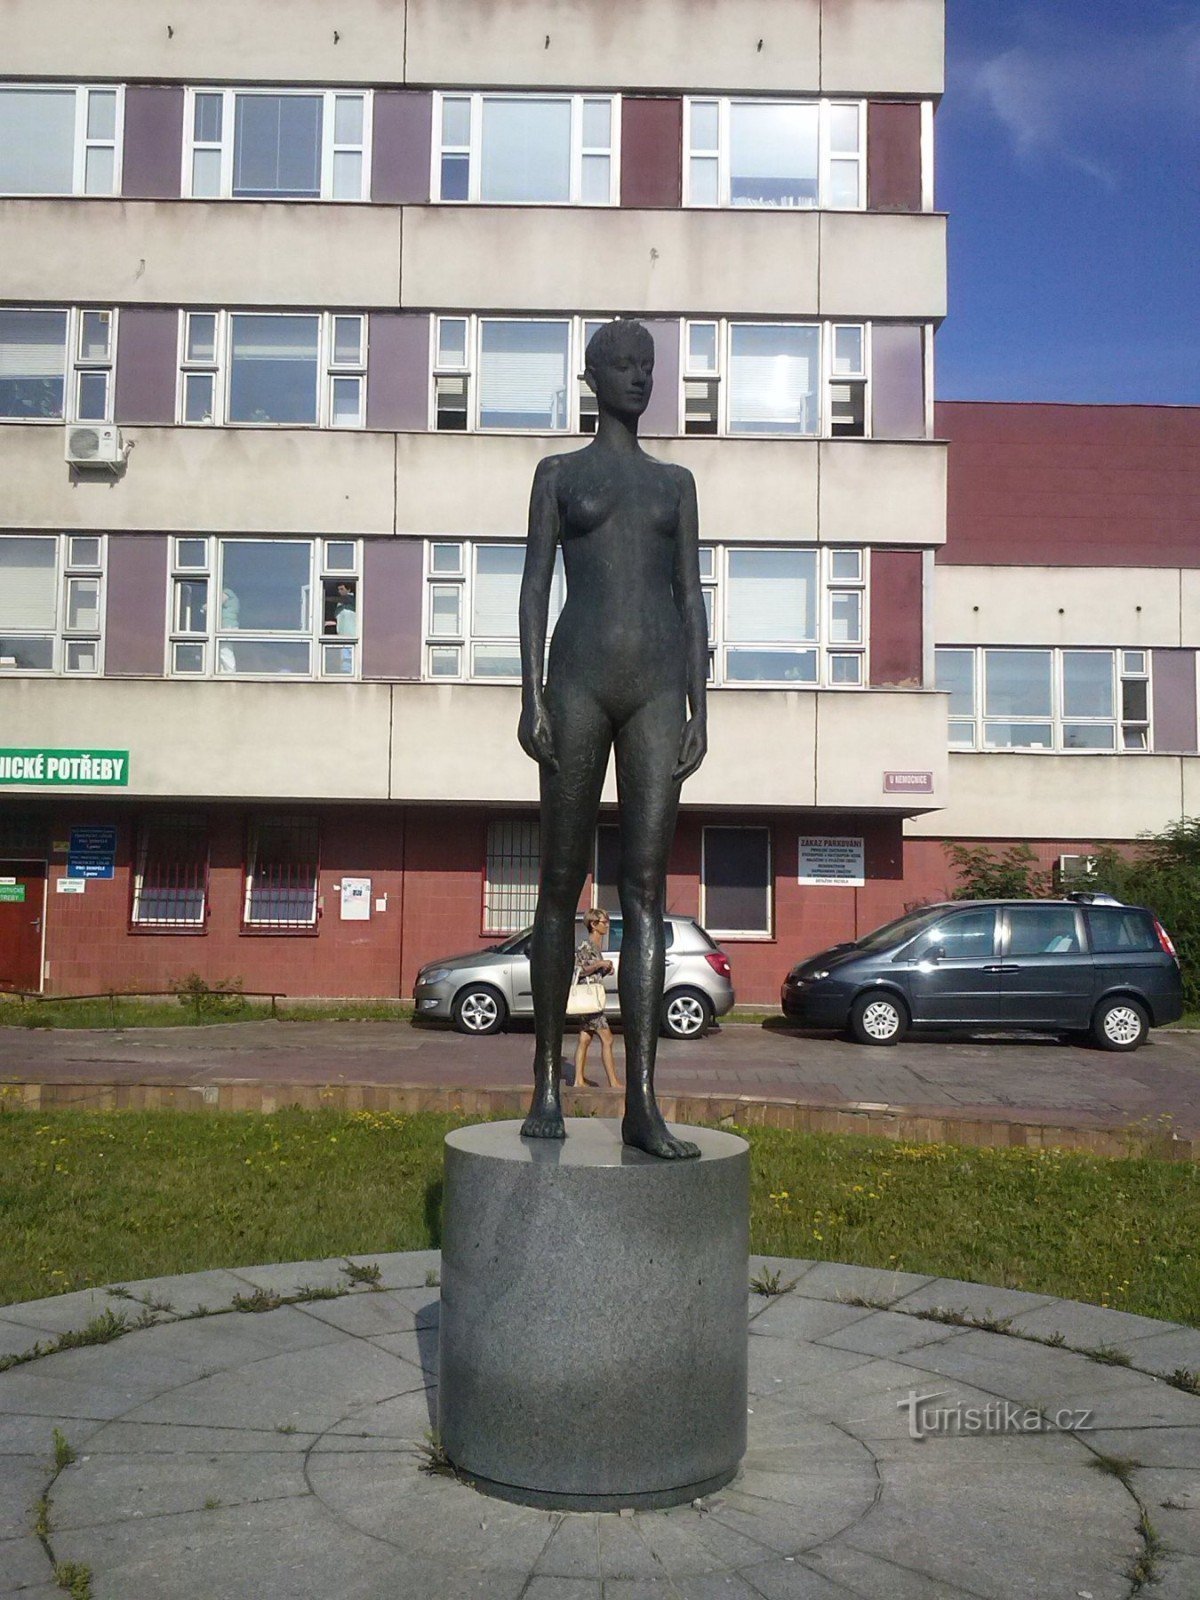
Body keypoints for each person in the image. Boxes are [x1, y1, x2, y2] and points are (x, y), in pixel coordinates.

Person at [518, 318, 707, 1159]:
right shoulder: (559, 474)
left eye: (648, 366)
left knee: (646, 895)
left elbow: (692, 598)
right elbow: (532, 588)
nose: (638, 377)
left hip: (659, 688)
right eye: (622, 366)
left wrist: (702, 703)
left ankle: (641, 1099)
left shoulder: (676, 483)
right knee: (560, 883)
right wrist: (530, 697)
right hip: (579, 683)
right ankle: (544, 1080)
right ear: (591, 378)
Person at [573, 908, 621, 1090]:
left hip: (592, 998)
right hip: (590, 1000)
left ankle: (578, 1079)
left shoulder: (596, 946)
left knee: (585, 1038)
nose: (607, 925)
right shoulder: (587, 946)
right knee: (608, 1039)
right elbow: (580, 969)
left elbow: (592, 971)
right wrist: (600, 964)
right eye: (604, 922)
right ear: (594, 924)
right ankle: (613, 1082)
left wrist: (605, 969)